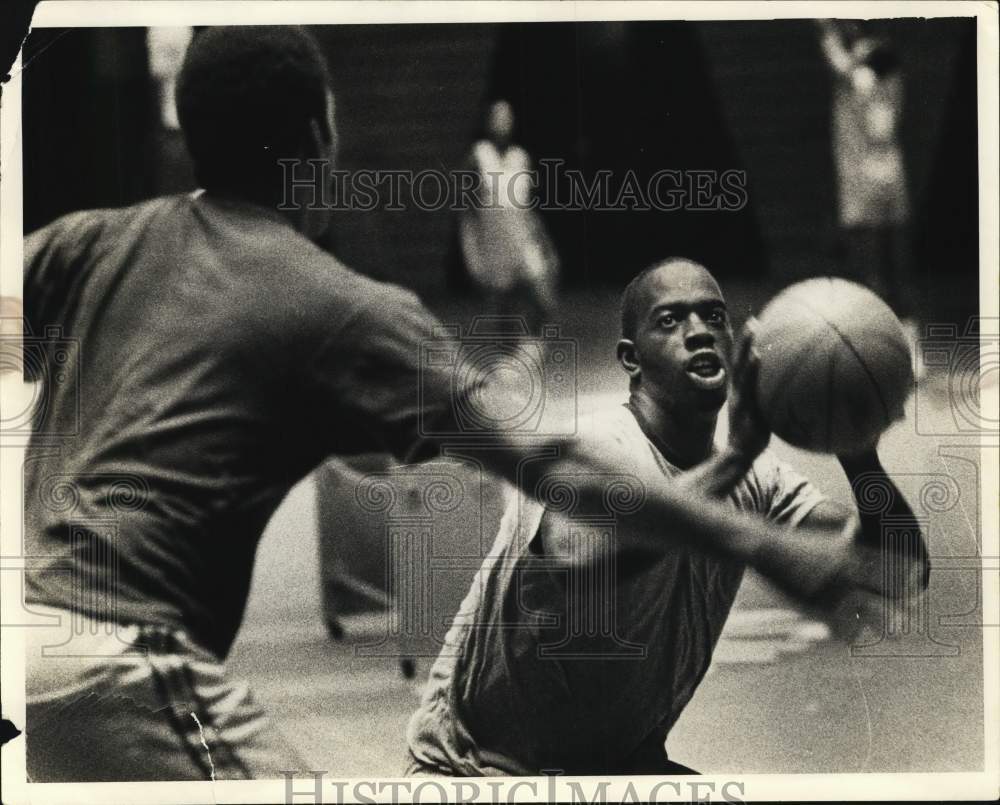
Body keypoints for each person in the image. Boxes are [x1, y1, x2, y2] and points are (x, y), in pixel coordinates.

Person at [19, 27, 918, 782]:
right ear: (319, 137)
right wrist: (769, 547)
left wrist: (850, 459)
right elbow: (556, 470)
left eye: (711, 316)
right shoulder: (341, 305)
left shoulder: (85, 242)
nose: (701, 334)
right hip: (124, 663)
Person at [405, 257, 930, 776]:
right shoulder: (597, 448)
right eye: (670, 320)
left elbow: (895, 569)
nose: (699, 331)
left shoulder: (756, 477)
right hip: (475, 771)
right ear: (632, 359)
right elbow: (581, 554)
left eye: (714, 316)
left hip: (608, 768)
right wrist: (732, 461)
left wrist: (859, 450)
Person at [816, 20, 916, 337]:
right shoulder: (894, 82)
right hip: (891, 178)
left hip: (864, 182)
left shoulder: (857, 79)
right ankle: (909, 344)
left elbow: (837, 57)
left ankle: (879, 345)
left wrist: (827, 28)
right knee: (895, 270)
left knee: (871, 272)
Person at [459, 99, 559, 337]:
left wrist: (545, 243)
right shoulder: (478, 156)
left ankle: (531, 352)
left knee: (543, 302)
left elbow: (529, 206)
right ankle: (508, 365)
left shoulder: (520, 157)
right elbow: (466, 210)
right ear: (487, 121)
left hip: (522, 239)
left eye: (508, 117)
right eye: (497, 117)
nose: (503, 122)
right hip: (493, 241)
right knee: (504, 313)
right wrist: (471, 252)